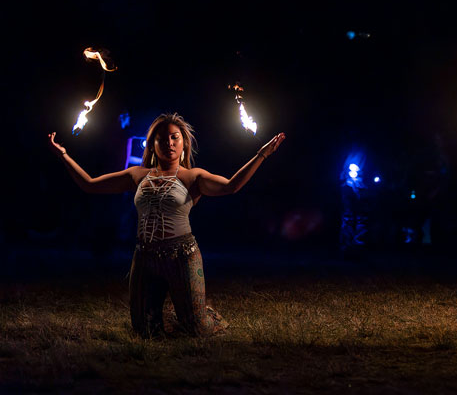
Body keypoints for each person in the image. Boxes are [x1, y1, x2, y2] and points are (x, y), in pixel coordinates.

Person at [48, 113, 285, 337]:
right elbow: (89, 184)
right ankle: (175, 313)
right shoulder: (137, 175)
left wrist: (261, 155)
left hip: (182, 255)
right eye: (162, 138)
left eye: (175, 137)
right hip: (144, 257)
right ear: (152, 145)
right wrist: (64, 156)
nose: (169, 143)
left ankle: (198, 313)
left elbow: (231, 186)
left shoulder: (193, 177)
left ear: (183, 144)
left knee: (197, 329)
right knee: (145, 331)